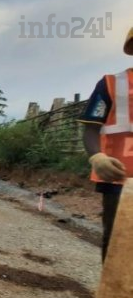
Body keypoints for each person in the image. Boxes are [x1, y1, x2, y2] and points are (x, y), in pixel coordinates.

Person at [78, 27, 133, 262]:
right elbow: (91, 128)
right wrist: (96, 157)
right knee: (117, 240)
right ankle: (112, 296)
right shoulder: (112, 84)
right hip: (119, 176)